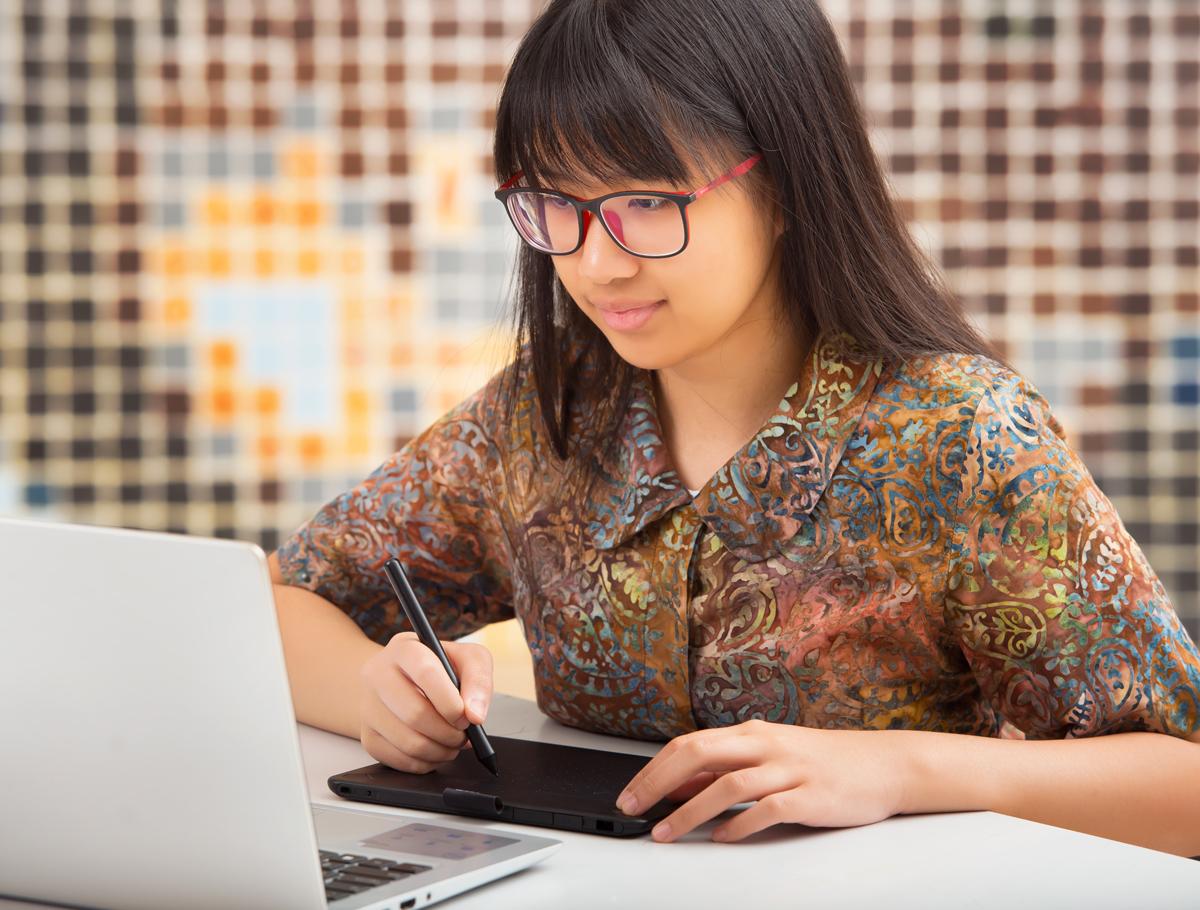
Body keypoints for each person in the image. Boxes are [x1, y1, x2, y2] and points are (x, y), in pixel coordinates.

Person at [269, 0, 1200, 854]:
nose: (596, 265)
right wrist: (373, 695)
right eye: (557, 204)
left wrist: (907, 768)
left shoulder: (959, 438)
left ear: (787, 183)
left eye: (646, 203)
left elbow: (1183, 779)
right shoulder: (543, 417)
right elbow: (278, 602)